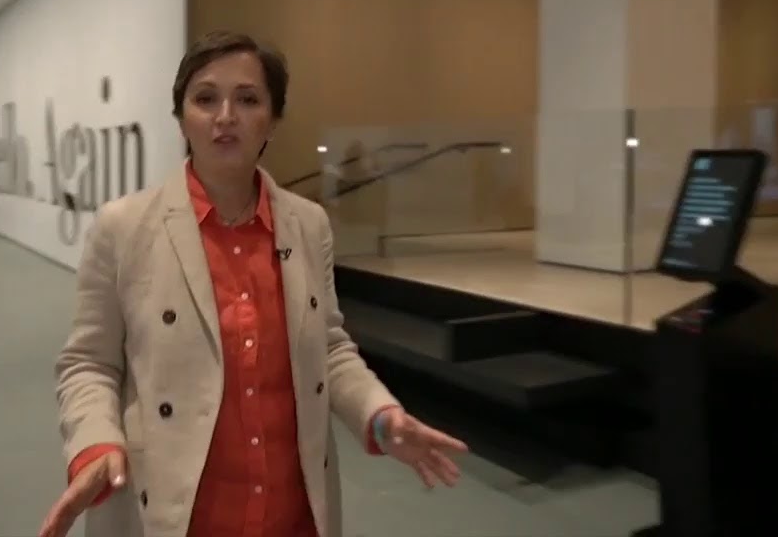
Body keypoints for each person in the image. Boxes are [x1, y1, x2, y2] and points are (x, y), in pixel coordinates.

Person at [40, 31, 468, 537]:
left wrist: (379, 415)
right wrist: (95, 442)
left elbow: (329, 348)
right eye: (205, 99)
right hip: (177, 514)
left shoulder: (308, 224)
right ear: (181, 116)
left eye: (247, 100)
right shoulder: (124, 227)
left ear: (273, 119)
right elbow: (89, 363)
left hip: (291, 515)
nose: (225, 116)